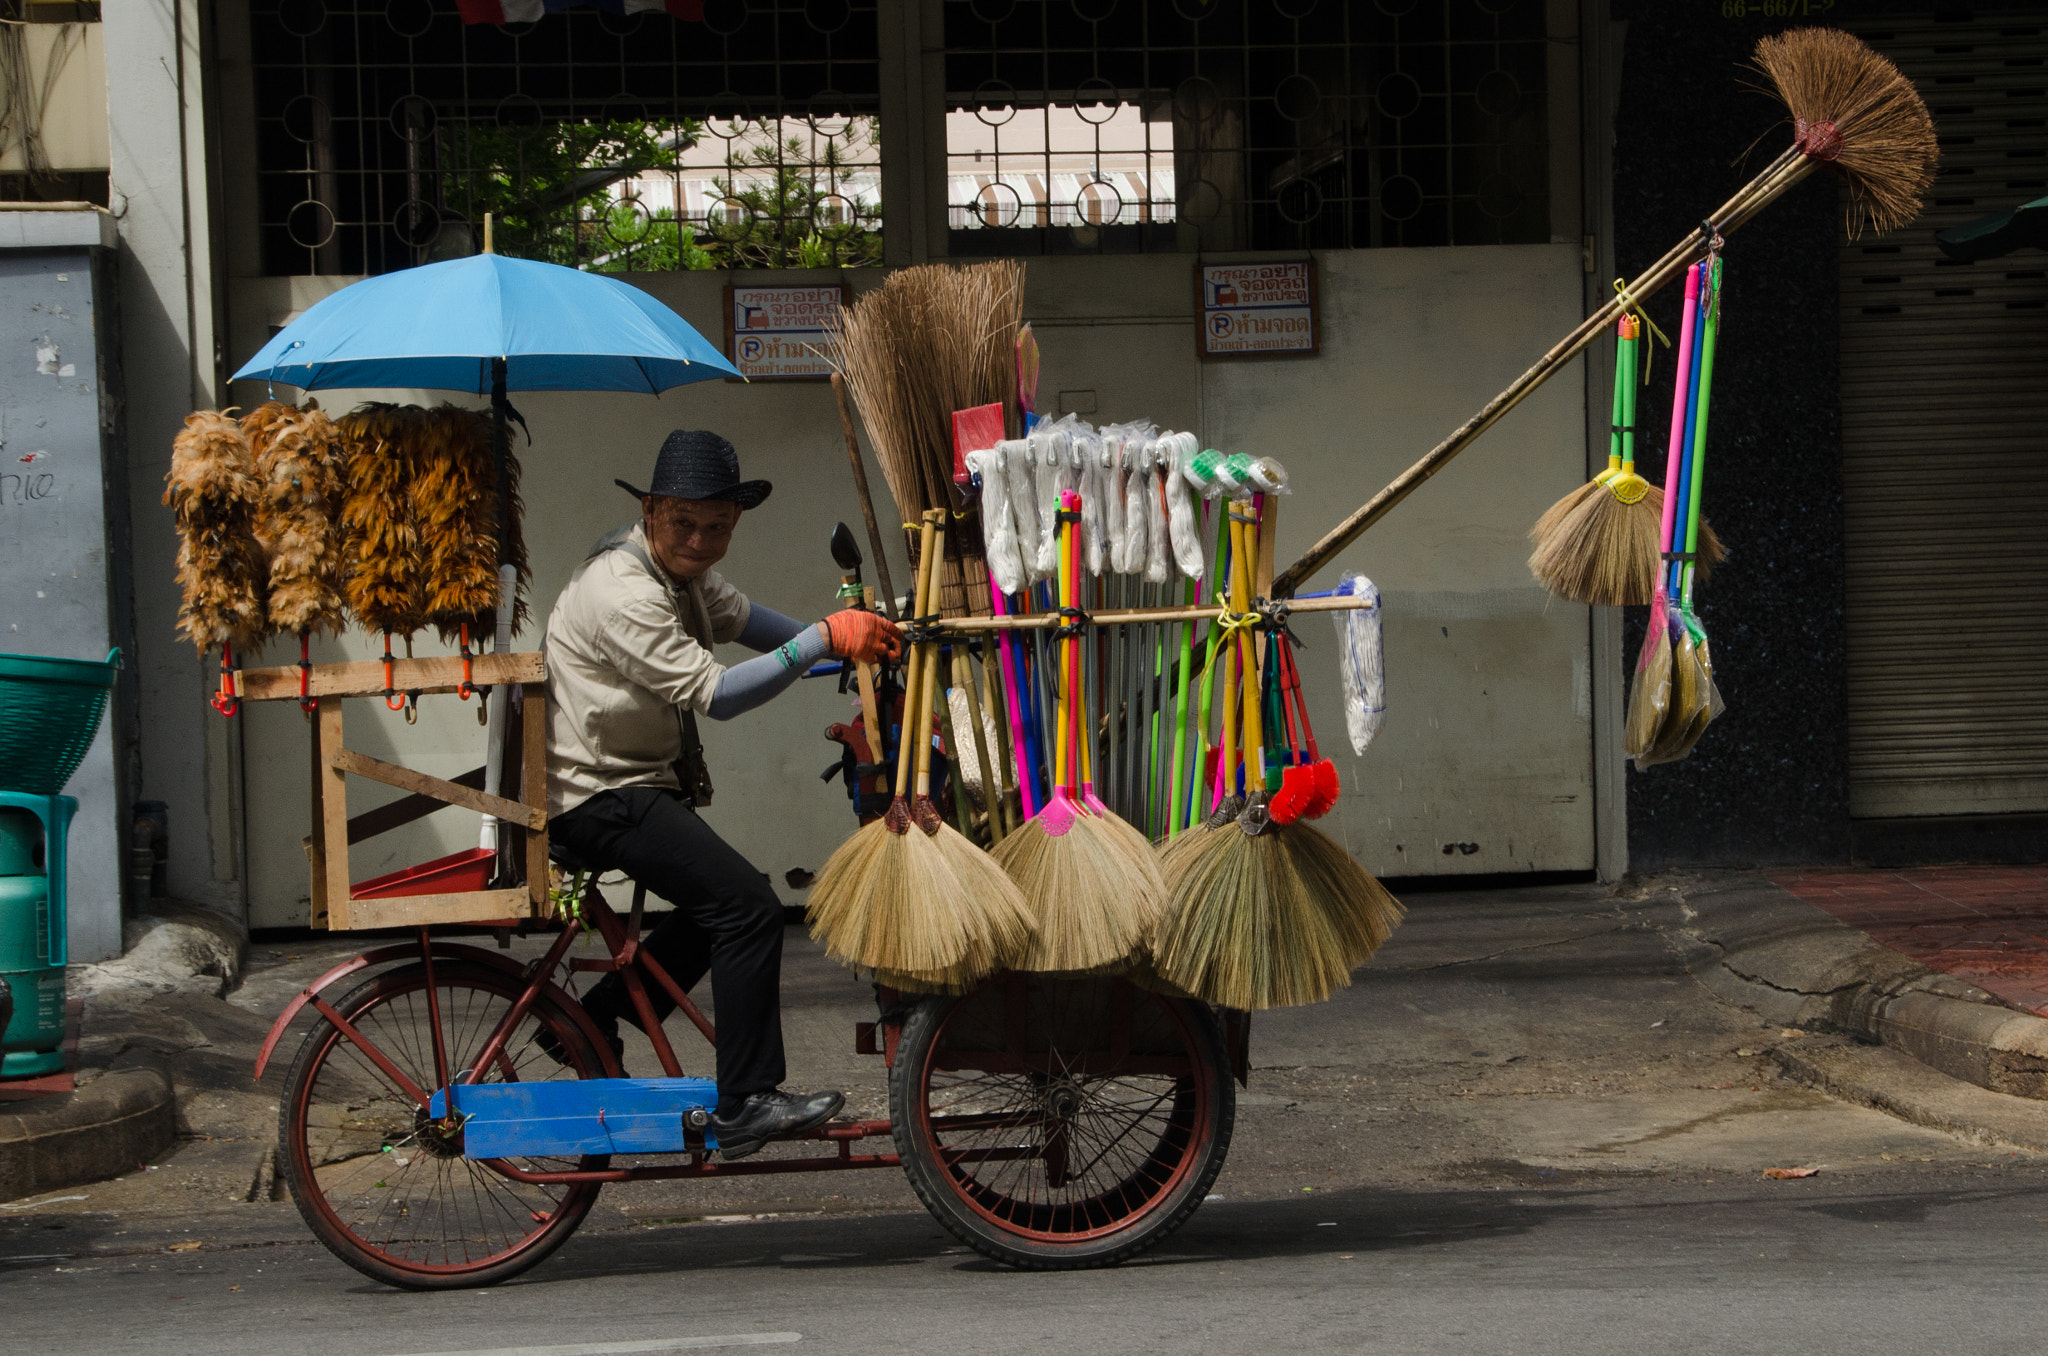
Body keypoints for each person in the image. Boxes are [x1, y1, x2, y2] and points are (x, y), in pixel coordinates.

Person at [543, 429, 901, 1159]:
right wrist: (827, 638)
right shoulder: (623, 593)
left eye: (717, 527)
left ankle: (590, 1019)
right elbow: (721, 694)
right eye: (683, 523)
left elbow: (779, 642)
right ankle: (746, 1102)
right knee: (748, 907)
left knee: (724, 905)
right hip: (596, 794)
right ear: (650, 512)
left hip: (630, 783)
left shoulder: (684, 577)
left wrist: (864, 640)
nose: (700, 540)